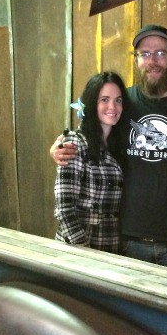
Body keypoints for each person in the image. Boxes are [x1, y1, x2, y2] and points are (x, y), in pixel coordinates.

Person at [51, 25, 167, 273]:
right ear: (136, 59)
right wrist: (58, 147)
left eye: (160, 53)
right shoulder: (121, 104)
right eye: (145, 54)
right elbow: (90, 137)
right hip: (125, 239)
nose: (152, 61)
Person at [54, 71, 127, 253]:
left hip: (112, 247)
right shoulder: (76, 143)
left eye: (118, 100)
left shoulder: (120, 145)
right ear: (92, 103)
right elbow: (64, 208)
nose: (113, 106)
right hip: (78, 249)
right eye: (104, 99)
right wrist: (84, 251)